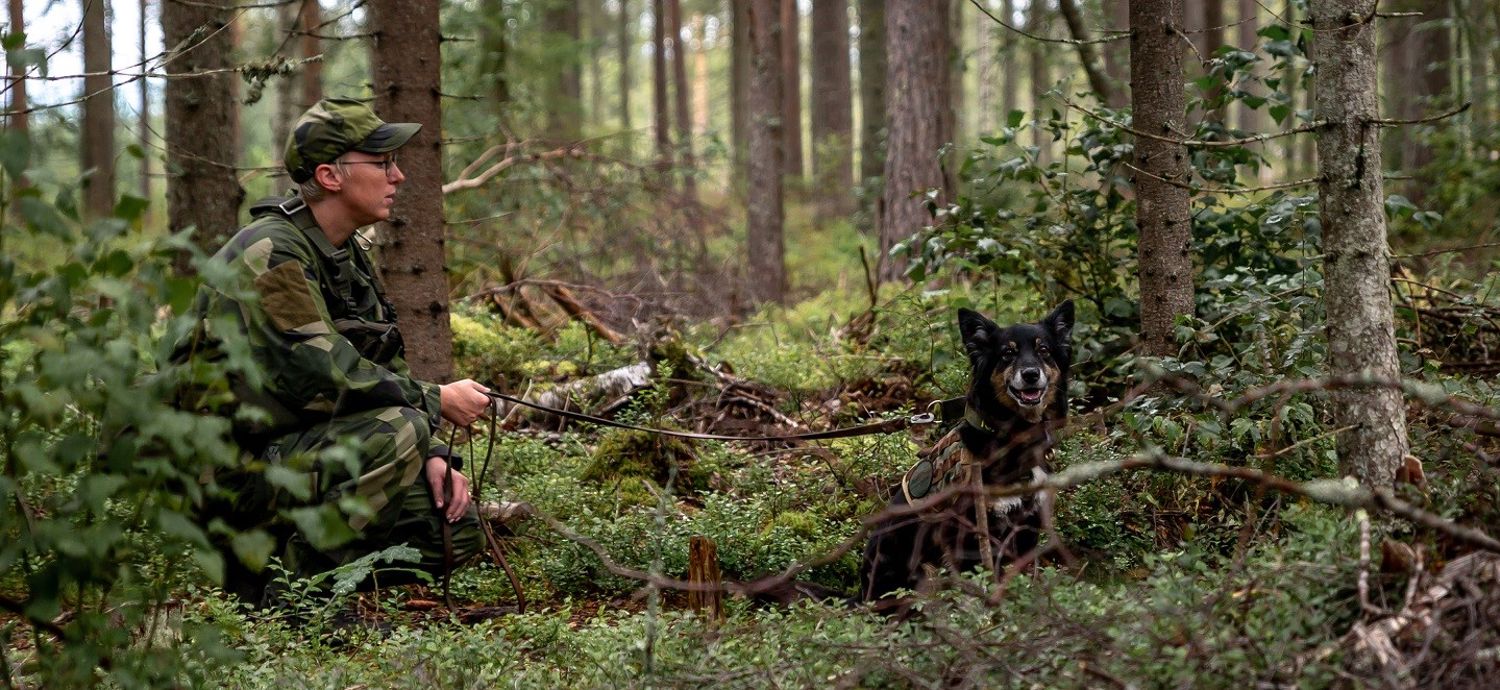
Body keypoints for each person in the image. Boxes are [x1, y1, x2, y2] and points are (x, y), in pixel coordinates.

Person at [174, 97, 494, 605]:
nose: (399, 176)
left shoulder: (343, 251)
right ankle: (295, 599)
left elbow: (381, 361)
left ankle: (261, 574)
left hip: (285, 455)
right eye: (383, 163)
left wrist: (431, 452)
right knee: (400, 428)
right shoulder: (272, 252)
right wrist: (435, 402)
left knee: (453, 532)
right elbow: (323, 374)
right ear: (329, 176)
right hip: (223, 475)